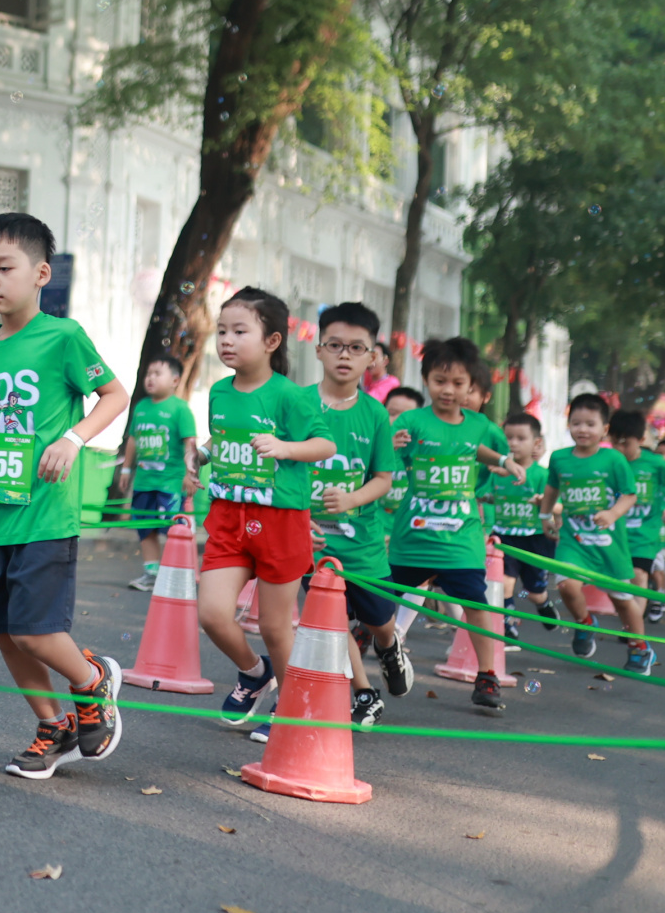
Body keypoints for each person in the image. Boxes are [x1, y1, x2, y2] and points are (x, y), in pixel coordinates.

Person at [0, 211, 129, 779]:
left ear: (40, 274)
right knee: (3, 630)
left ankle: (93, 681)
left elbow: (114, 395)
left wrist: (72, 439)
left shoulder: (63, 337)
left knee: (35, 631)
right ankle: (52, 726)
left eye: (4, 267)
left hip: (46, 513)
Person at [185, 287, 335, 741]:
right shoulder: (219, 391)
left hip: (280, 523)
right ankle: (254, 672)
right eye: (222, 332)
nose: (226, 341)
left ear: (271, 341)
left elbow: (324, 444)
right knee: (212, 614)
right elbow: (223, 437)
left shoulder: (289, 395)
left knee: (274, 625)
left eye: (239, 331)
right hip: (229, 517)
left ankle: (289, 710)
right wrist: (202, 456)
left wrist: (286, 448)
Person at [385, 337, 527, 712]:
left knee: (476, 605)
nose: (448, 390)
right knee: (380, 599)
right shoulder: (412, 421)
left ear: (470, 386)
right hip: (413, 538)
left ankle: (487, 675)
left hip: (461, 540)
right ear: (426, 380)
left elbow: (475, 448)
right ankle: (378, 643)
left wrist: (505, 462)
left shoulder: (479, 424)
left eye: (458, 383)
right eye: (439, 381)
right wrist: (392, 443)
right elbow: (386, 459)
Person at [305, 301, 409, 730]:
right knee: (331, 619)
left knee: (379, 620)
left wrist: (350, 499)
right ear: (319, 349)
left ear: (373, 357)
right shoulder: (297, 404)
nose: (344, 355)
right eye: (335, 345)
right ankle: (366, 693)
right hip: (313, 543)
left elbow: (383, 478)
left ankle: (389, 646)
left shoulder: (375, 415)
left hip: (363, 545)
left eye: (356, 347)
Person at [542, 394, 645, 670]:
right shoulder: (559, 458)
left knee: (622, 601)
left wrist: (612, 514)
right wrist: (544, 515)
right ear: (568, 425)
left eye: (590, 424)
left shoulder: (614, 459)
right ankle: (585, 623)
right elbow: (552, 488)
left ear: (604, 429)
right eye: (576, 423)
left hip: (609, 545)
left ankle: (639, 648)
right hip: (573, 541)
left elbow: (630, 495)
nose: (583, 429)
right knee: (566, 584)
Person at [119, 354, 196, 591]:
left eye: (157, 373)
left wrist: (189, 474)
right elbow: (133, 439)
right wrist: (126, 468)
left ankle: (179, 574)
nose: (150, 378)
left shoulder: (180, 409)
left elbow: (190, 442)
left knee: (174, 529)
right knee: (145, 529)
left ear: (175, 380)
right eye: (148, 373)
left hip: (170, 483)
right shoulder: (141, 407)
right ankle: (151, 574)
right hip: (143, 482)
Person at [481, 411, 558, 632]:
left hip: (535, 538)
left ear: (536, 443)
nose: (513, 443)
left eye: (521, 438)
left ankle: (543, 603)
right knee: (505, 583)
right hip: (504, 537)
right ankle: (508, 626)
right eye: (508, 438)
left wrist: (545, 503)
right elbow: (487, 497)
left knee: (534, 593)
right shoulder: (496, 473)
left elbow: (559, 505)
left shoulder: (542, 475)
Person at [608, 409, 665, 633]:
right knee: (617, 584)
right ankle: (630, 618)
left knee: (639, 576)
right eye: (615, 442)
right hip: (614, 534)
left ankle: (633, 629)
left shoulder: (655, 463)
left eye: (626, 443)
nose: (620, 449)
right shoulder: (608, 461)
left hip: (645, 534)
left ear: (640, 440)